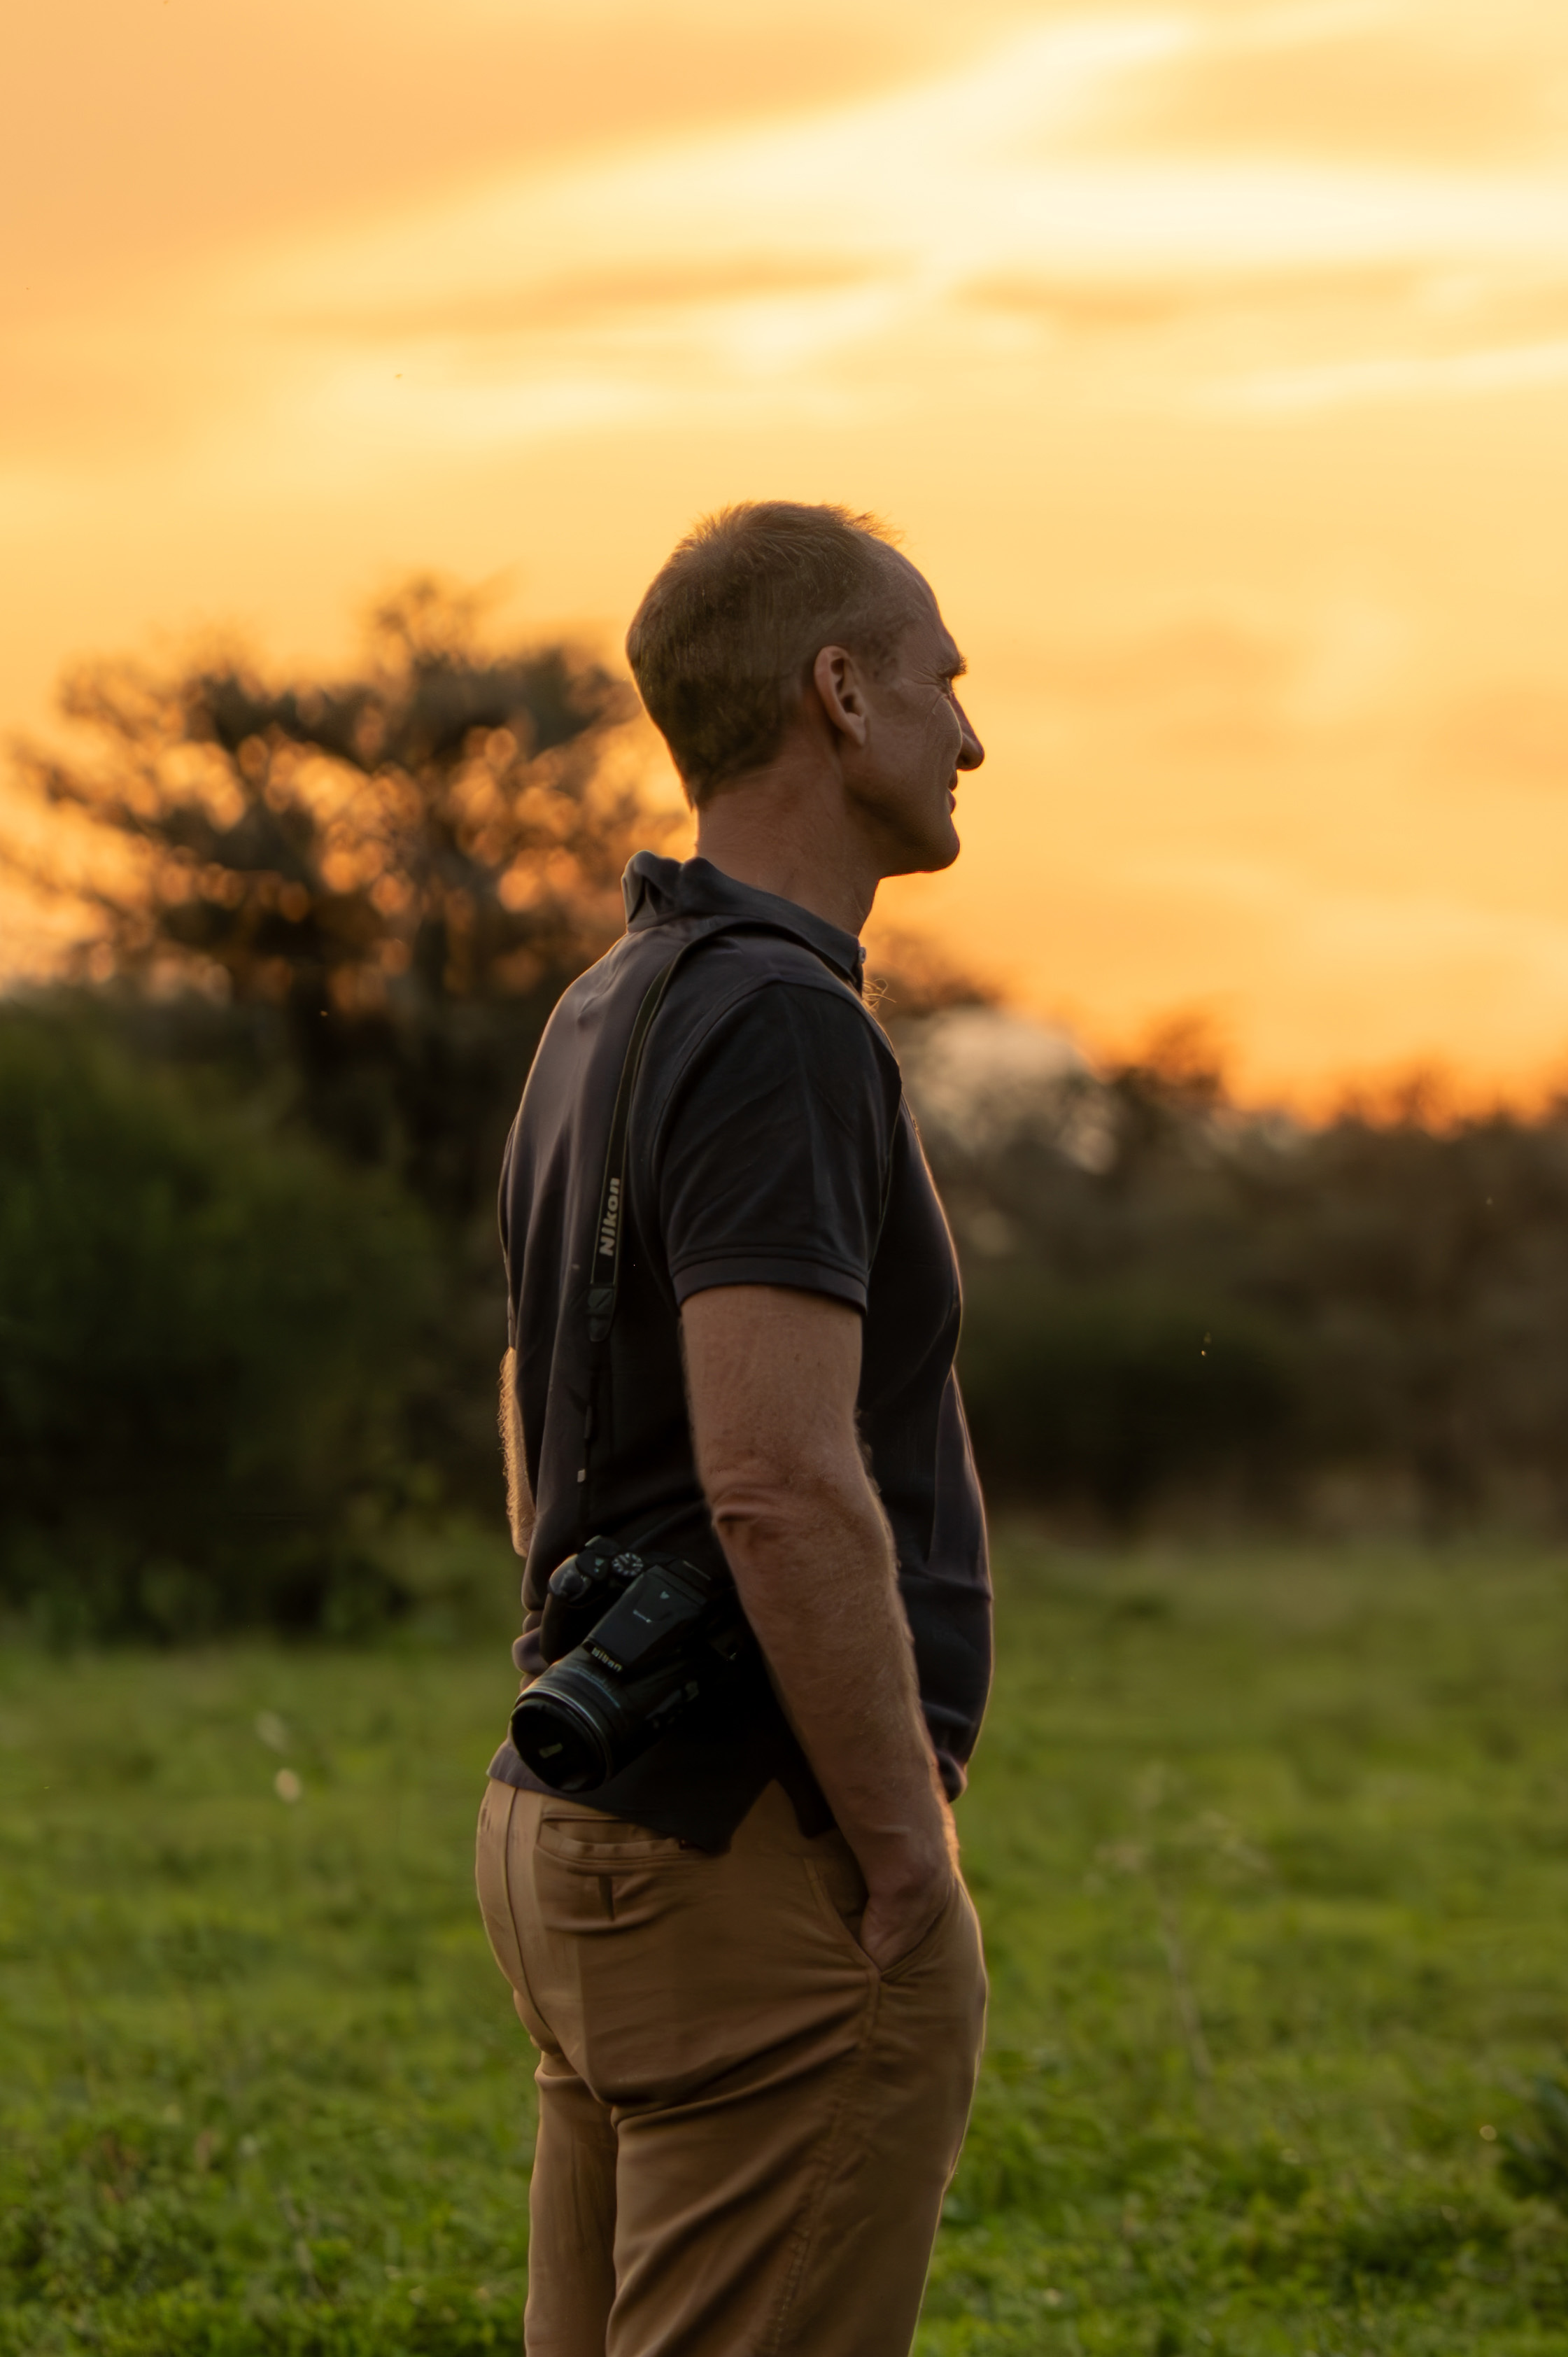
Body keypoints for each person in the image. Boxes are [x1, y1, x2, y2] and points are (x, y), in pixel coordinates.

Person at [480, 500, 995, 2356]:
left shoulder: (602, 1005)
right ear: (837, 694)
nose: (972, 737)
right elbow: (778, 1481)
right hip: (751, 1859)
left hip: (574, 1828)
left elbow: (537, 1400)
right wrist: (902, 1850)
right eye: (945, 679)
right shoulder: (780, 1021)